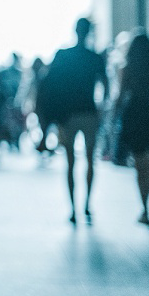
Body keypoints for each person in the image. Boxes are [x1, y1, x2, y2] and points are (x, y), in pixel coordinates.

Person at [39, 17, 109, 224]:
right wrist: (102, 109)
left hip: (67, 115)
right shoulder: (94, 57)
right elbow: (105, 85)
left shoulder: (63, 55)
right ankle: (86, 204)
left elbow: (49, 84)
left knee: (70, 162)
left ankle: (73, 208)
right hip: (88, 113)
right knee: (89, 160)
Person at [113, 31, 149, 225]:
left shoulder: (127, 68)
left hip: (134, 115)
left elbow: (120, 96)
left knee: (139, 164)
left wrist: (114, 119)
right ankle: (146, 205)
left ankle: (144, 207)